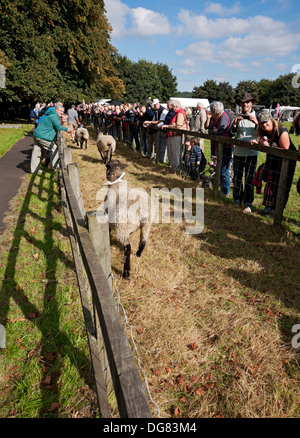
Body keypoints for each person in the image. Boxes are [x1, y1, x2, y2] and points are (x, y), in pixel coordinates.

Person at [250, 109, 297, 216]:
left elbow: (286, 150)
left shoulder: (281, 131)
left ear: (271, 120)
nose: (264, 125)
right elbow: (261, 139)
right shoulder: (263, 131)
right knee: (271, 184)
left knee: (282, 185)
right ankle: (268, 208)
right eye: (261, 123)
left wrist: (269, 147)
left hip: (286, 162)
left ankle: (277, 210)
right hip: (273, 160)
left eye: (266, 121)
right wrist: (256, 142)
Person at [229, 93, 259, 213]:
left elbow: (264, 133)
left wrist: (257, 122)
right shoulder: (237, 116)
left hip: (252, 153)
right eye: (243, 102)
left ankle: (248, 203)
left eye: (247, 102)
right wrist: (235, 123)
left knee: (249, 179)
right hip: (238, 153)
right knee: (237, 177)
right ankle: (237, 200)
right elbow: (231, 134)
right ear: (240, 104)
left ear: (251, 103)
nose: (245, 104)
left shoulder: (258, 116)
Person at [30, 104, 72, 173]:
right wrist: (67, 129)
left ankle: (34, 170)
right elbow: (58, 127)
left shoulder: (51, 115)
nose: (62, 112)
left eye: (63, 111)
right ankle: (55, 167)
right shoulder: (54, 116)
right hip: (41, 136)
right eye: (60, 110)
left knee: (36, 152)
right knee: (54, 148)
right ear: (56, 110)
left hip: (37, 134)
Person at [205, 101, 233, 197]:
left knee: (224, 170)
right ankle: (220, 190)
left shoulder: (223, 118)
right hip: (219, 147)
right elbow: (210, 130)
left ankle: (225, 192)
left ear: (215, 112)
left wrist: (214, 131)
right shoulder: (217, 118)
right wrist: (213, 130)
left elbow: (220, 132)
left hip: (225, 147)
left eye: (211, 112)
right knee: (220, 169)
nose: (210, 114)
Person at [162, 100, 187, 172]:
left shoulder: (180, 113)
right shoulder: (176, 113)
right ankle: (173, 166)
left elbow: (178, 125)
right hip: (173, 134)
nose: (172, 108)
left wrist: (169, 126)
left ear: (176, 106)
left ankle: (176, 167)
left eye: (173, 106)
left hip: (176, 135)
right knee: (172, 151)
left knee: (175, 151)